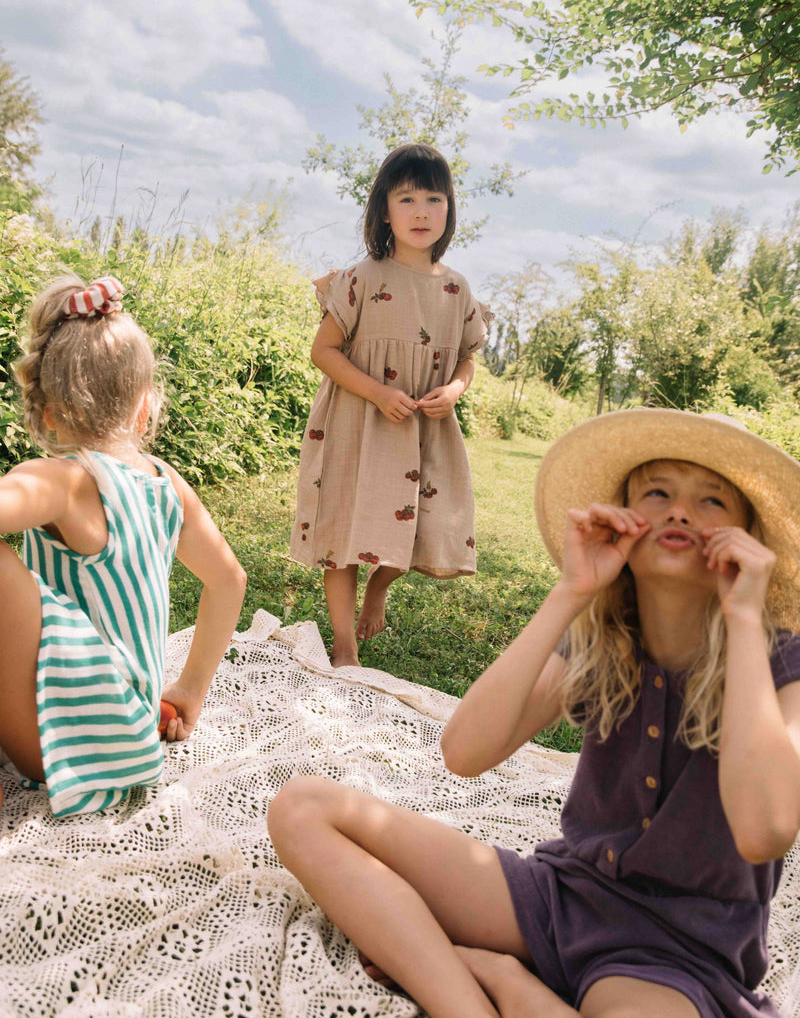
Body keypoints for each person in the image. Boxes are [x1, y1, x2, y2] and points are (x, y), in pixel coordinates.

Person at [269, 409, 800, 1018]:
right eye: (659, 491)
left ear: (749, 539)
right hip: (558, 899)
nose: (681, 511)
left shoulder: (780, 661)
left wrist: (743, 617)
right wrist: (570, 592)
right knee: (303, 807)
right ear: (623, 517)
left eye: (713, 501)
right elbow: (464, 753)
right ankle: (465, 1002)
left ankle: (503, 978)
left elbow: (765, 830)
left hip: (672, 958)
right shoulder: (601, 638)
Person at [0, 274, 247, 818]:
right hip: (130, 729)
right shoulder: (166, 483)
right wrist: (190, 689)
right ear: (144, 406)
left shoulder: (62, 480)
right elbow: (230, 580)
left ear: (50, 413)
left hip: (67, 735)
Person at [289, 143, 492, 667]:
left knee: (426, 522)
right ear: (384, 211)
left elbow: (468, 357)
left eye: (433, 198)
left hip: (423, 430)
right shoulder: (363, 277)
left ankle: (379, 586)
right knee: (345, 529)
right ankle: (345, 644)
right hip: (359, 422)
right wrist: (377, 392)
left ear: (449, 209)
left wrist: (455, 390)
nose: (421, 211)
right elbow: (323, 350)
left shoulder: (456, 288)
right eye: (406, 199)